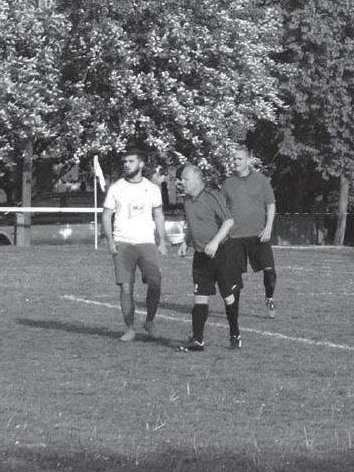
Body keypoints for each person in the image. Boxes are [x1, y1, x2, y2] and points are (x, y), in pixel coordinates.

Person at [101, 147, 168, 342]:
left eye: (131, 161)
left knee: (155, 282)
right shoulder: (116, 188)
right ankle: (130, 328)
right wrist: (110, 240)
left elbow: (158, 215)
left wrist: (162, 241)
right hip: (123, 242)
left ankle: (150, 321)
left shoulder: (152, 189)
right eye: (125, 161)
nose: (126, 165)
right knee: (126, 287)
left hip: (147, 242)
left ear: (141, 164)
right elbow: (106, 215)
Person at [178, 164, 242, 351]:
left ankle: (235, 334)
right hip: (201, 256)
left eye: (185, 179)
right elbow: (193, 225)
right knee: (200, 296)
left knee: (228, 296)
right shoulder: (187, 201)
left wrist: (214, 242)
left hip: (222, 253)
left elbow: (229, 221)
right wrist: (185, 242)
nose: (182, 183)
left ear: (197, 179)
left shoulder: (212, 196)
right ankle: (198, 340)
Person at [222, 146, 278, 318]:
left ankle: (269, 298)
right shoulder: (228, 183)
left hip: (258, 235)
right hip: (235, 237)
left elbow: (270, 204)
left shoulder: (261, 180)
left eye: (239, 159)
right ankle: (234, 312)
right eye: (234, 159)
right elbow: (221, 209)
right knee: (234, 276)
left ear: (248, 160)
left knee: (269, 271)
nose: (236, 162)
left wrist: (268, 227)